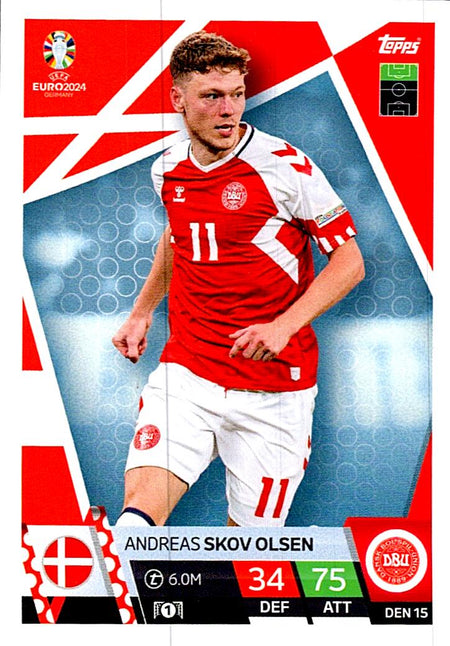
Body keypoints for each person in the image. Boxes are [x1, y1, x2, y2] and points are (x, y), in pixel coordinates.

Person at [113, 31, 364, 528]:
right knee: (134, 527)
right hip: (188, 372)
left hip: (275, 389)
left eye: (237, 94)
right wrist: (141, 312)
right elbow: (178, 237)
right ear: (178, 99)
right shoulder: (167, 170)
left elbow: (350, 262)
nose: (228, 110)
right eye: (212, 96)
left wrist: (283, 326)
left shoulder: (285, 167)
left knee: (247, 554)